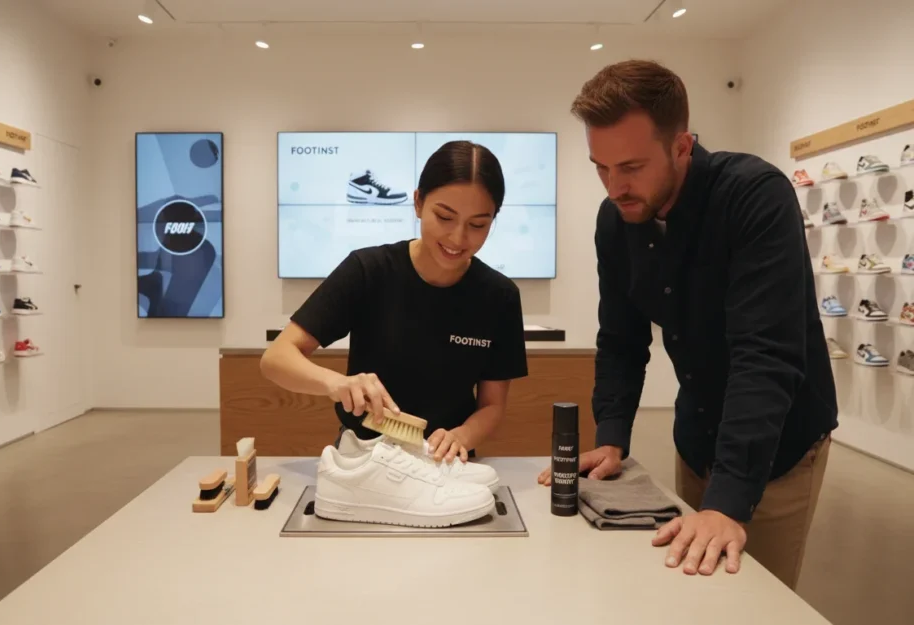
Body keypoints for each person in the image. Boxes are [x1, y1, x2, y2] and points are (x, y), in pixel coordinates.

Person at [538, 60, 837, 590]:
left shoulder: (755, 197)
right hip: (696, 437)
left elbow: (764, 356)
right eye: (600, 167)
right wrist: (612, 437)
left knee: (751, 602)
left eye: (630, 166)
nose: (614, 186)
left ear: (682, 146)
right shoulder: (617, 220)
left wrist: (727, 502)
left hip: (777, 450)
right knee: (689, 592)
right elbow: (621, 339)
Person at [260, 140, 528, 463]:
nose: (458, 238)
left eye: (477, 225)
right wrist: (337, 383)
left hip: (445, 463)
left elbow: (492, 406)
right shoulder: (368, 271)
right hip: (364, 460)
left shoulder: (499, 297)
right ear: (417, 203)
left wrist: (462, 436)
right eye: (444, 217)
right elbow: (276, 358)